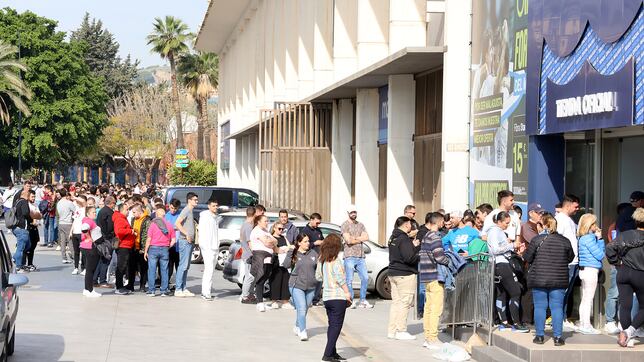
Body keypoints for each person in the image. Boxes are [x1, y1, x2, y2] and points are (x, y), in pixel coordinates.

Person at [524, 213, 574, 346]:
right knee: (557, 308)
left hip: (539, 278)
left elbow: (527, 257)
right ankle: (558, 337)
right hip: (559, 279)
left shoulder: (537, 240)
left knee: (540, 307)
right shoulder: (565, 241)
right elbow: (570, 257)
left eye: (539, 224)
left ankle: (540, 336)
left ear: (544, 225)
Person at [606, 208, 644, 347]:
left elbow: (610, 248)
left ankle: (627, 336)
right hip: (641, 273)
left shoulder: (625, 235)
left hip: (624, 272)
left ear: (635, 220)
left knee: (625, 306)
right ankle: (630, 332)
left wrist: (617, 262)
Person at [487, 211, 529, 332]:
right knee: (516, 292)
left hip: (499, 264)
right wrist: (511, 245)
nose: (507, 225)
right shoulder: (495, 231)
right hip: (501, 264)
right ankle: (516, 323)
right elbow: (495, 249)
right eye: (506, 223)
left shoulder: (498, 232)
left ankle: (504, 322)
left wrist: (513, 247)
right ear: (499, 222)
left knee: (503, 293)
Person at [317, 234, 351, 362]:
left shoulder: (322, 260)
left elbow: (318, 277)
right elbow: (341, 279)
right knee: (336, 326)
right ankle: (327, 354)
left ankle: (333, 352)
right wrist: (347, 293)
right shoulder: (336, 260)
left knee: (332, 325)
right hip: (338, 297)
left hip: (327, 297)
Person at [387, 216, 421, 340]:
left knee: (396, 303)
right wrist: (418, 251)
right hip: (405, 274)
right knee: (404, 302)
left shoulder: (393, 237)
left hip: (393, 272)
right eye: (410, 224)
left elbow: (400, 253)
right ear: (407, 225)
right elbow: (409, 258)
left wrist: (413, 245)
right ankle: (401, 330)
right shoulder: (403, 238)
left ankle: (392, 330)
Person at [420, 212, 450, 350]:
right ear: (438, 222)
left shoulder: (425, 236)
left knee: (428, 308)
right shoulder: (435, 237)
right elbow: (439, 257)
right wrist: (449, 260)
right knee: (436, 309)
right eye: (442, 221)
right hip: (435, 276)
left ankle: (428, 337)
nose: (443, 224)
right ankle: (433, 338)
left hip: (426, 276)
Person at [604, 203, 631, 334]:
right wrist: (617, 261)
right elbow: (612, 246)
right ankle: (610, 321)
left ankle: (622, 321)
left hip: (626, 264)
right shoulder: (615, 227)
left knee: (624, 295)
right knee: (614, 293)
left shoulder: (626, 227)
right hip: (618, 264)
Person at [283, 234, 317, 341]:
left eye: (308, 241)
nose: (308, 243)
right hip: (296, 285)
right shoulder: (294, 253)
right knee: (302, 308)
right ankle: (303, 331)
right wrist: (289, 252)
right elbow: (285, 265)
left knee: (305, 309)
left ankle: (297, 326)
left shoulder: (313, 253)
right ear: (299, 243)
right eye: (305, 241)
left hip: (311, 286)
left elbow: (319, 267)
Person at [576, 213, 605, 334]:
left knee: (584, 299)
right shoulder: (589, 238)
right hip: (590, 269)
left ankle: (583, 323)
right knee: (588, 299)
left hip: (584, 270)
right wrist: (600, 239)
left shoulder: (582, 238)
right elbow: (600, 254)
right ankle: (586, 325)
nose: (596, 226)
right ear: (590, 225)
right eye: (594, 223)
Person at [555, 194, 580, 330]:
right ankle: (558, 319)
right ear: (568, 205)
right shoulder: (560, 220)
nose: (578, 209)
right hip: (566, 263)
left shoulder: (569, 220)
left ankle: (563, 318)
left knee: (567, 293)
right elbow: (556, 241)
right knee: (561, 293)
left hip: (573, 263)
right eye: (576, 206)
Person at [341, 205, 372, 309]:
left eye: (355, 212)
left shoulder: (361, 225)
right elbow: (348, 240)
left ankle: (362, 300)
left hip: (360, 256)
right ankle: (351, 301)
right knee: (349, 280)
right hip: (349, 255)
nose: (353, 214)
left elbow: (367, 237)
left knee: (365, 278)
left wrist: (354, 238)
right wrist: (360, 238)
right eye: (351, 212)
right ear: (348, 213)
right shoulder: (344, 225)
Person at [144, 205, 175, 297]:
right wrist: (168, 246)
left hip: (153, 248)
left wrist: (146, 251)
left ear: (156, 215)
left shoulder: (153, 224)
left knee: (152, 270)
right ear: (164, 215)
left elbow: (148, 239)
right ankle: (164, 291)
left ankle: (152, 290)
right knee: (164, 270)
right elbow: (173, 240)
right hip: (165, 248)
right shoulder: (169, 225)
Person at [250, 214, 277, 312]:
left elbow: (275, 241)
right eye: (265, 221)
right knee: (260, 279)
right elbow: (267, 243)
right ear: (259, 222)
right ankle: (259, 302)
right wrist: (271, 242)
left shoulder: (265, 231)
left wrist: (272, 241)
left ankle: (260, 301)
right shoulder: (256, 231)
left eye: (267, 221)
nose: (267, 223)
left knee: (265, 277)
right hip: (260, 256)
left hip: (268, 257)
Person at [174, 192, 198, 297]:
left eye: (197, 200)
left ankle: (183, 288)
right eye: (195, 200)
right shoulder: (186, 210)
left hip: (190, 242)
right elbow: (177, 223)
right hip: (184, 241)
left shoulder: (191, 210)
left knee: (186, 266)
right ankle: (178, 289)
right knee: (182, 265)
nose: (196, 201)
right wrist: (186, 233)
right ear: (189, 200)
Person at [198, 199, 220, 301]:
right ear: (209, 206)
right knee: (209, 270)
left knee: (211, 271)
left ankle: (207, 291)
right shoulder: (205, 217)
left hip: (215, 247)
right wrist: (205, 247)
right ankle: (205, 292)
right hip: (208, 248)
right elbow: (202, 233)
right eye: (213, 206)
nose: (215, 207)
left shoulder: (215, 217)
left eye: (216, 206)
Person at [268, 222, 293, 309]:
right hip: (276, 261)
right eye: (279, 228)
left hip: (284, 262)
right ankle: (274, 300)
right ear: (274, 228)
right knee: (276, 280)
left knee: (285, 280)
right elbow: (274, 248)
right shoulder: (272, 237)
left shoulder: (283, 237)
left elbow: (289, 246)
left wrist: (286, 249)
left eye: (282, 229)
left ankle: (285, 300)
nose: (281, 230)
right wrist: (281, 250)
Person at [80, 206, 103, 298]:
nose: (95, 214)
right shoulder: (89, 221)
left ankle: (87, 289)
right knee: (91, 270)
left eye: (95, 212)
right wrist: (89, 238)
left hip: (86, 247)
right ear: (88, 214)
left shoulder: (87, 220)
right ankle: (90, 290)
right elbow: (84, 228)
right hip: (91, 248)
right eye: (93, 212)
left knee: (89, 269)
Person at [113, 202, 135, 295]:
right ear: (121, 210)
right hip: (123, 246)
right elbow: (119, 231)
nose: (128, 212)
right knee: (121, 267)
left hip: (126, 245)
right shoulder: (120, 219)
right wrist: (130, 231)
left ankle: (120, 286)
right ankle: (119, 287)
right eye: (126, 210)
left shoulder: (122, 218)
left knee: (123, 266)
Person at [95, 196, 116, 287]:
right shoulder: (109, 213)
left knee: (101, 259)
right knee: (106, 259)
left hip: (101, 237)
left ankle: (95, 279)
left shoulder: (101, 211)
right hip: (107, 238)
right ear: (111, 203)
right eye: (114, 203)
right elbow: (110, 227)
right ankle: (103, 280)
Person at [131, 204, 151, 292]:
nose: (133, 214)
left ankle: (142, 285)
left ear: (139, 211)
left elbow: (148, 235)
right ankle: (130, 285)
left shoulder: (147, 220)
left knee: (143, 267)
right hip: (134, 246)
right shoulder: (133, 219)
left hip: (142, 247)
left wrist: (146, 248)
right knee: (132, 266)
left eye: (134, 212)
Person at [240, 206, 257, 303]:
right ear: (254, 214)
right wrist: (256, 252)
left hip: (247, 254)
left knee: (252, 276)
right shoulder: (248, 226)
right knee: (249, 276)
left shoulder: (244, 224)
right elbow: (250, 242)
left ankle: (250, 294)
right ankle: (245, 296)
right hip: (249, 255)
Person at [23, 189, 42, 272]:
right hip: (28, 228)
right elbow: (32, 215)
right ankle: (23, 264)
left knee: (33, 246)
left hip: (35, 228)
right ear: (28, 197)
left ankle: (30, 263)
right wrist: (35, 216)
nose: (34, 198)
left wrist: (36, 216)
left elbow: (39, 215)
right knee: (27, 246)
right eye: (32, 196)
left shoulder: (35, 205)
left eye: (34, 196)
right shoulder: (26, 205)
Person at [164, 198, 181, 285]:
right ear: (169, 206)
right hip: (169, 245)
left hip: (179, 244)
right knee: (169, 267)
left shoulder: (180, 215)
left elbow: (182, 227)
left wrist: (175, 227)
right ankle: (166, 285)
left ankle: (179, 286)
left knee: (179, 267)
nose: (173, 210)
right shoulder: (166, 215)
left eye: (175, 208)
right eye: (171, 208)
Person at [56, 188, 76, 264]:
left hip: (61, 222)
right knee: (70, 241)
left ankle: (64, 257)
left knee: (63, 241)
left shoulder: (59, 203)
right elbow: (75, 211)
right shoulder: (69, 203)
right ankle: (74, 256)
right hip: (68, 223)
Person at [70, 195, 87, 275]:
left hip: (82, 233)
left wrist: (76, 197)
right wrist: (71, 231)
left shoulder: (85, 209)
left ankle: (84, 268)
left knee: (83, 251)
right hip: (75, 232)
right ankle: (76, 267)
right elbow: (75, 220)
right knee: (76, 251)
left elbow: (83, 202)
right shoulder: (77, 209)